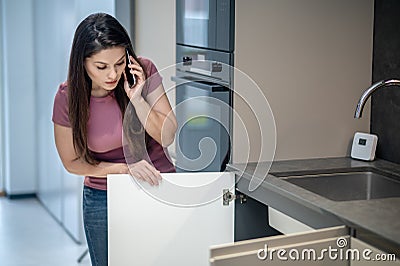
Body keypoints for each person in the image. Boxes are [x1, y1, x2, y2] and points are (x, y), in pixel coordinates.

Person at [52, 13, 177, 266]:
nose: (113, 74)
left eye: (119, 63)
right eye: (101, 67)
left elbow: (168, 135)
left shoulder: (142, 71)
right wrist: (124, 169)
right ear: (82, 63)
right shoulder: (68, 97)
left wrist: (137, 99)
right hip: (103, 196)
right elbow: (72, 162)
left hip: (159, 185)